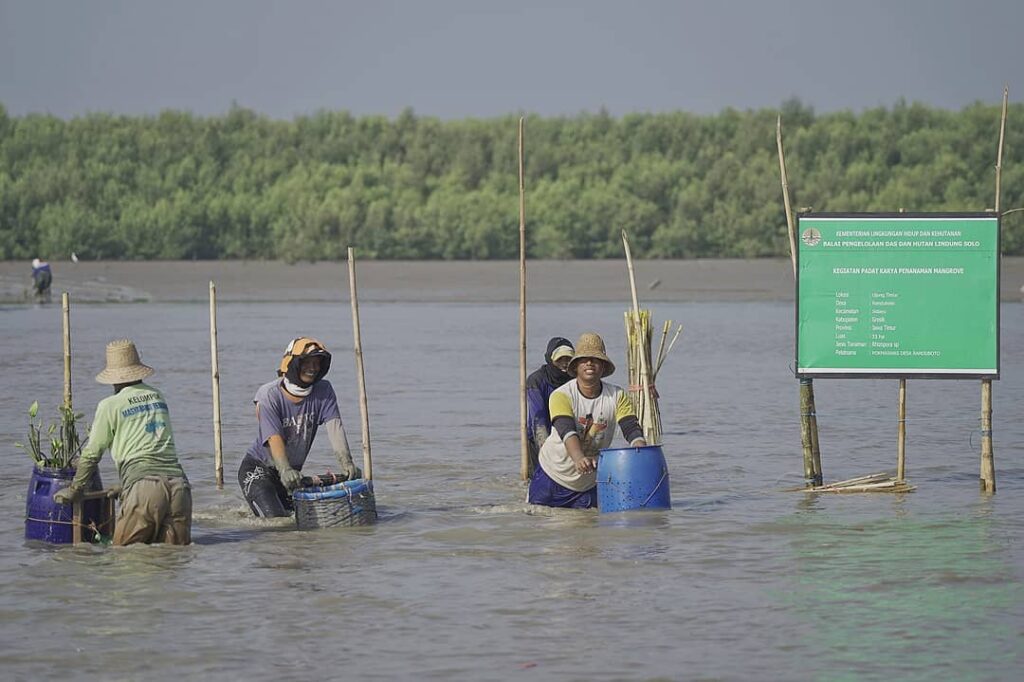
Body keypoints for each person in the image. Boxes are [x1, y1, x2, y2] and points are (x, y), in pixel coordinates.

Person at [53, 339, 192, 545]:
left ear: (113, 378)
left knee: (123, 560)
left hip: (144, 489)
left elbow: (92, 455)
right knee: (171, 562)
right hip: (179, 487)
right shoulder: (157, 396)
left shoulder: (110, 405)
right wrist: (126, 486)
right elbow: (153, 447)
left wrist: (76, 490)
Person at [237, 337, 361, 517]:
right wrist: (285, 469)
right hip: (258, 470)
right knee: (277, 523)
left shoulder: (324, 391)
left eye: (317, 363)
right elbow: (273, 437)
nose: (312, 368)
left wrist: (347, 463)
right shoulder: (269, 395)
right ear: (292, 363)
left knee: (298, 521)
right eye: (307, 362)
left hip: (292, 475)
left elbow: (335, 428)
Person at [528, 332, 646, 509]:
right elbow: (566, 429)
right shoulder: (561, 395)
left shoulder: (617, 395)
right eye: (584, 359)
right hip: (552, 476)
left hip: (588, 483)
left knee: (588, 529)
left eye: (595, 359)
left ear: (603, 366)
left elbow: (629, 425)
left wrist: (638, 442)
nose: (589, 363)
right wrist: (578, 457)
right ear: (575, 366)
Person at [525, 337, 575, 476]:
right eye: (560, 360)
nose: (565, 364)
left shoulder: (575, 380)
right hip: (540, 437)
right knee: (540, 477)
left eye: (568, 359)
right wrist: (546, 449)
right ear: (550, 359)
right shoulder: (537, 380)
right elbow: (538, 417)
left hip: (569, 437)